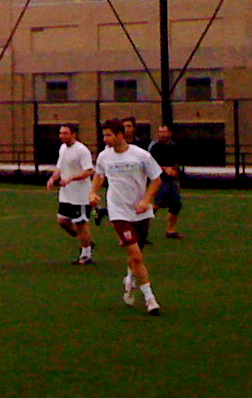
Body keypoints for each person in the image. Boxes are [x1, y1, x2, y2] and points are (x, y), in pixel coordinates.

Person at [90, 118, 164, 316]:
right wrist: (93, 192)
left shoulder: (141, 155)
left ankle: (130, 279)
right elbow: (99, 175)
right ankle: (150, 299)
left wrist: (146, 201)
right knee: (136, 256)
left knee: (136, 256)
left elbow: (157, 179)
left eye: (108, 135)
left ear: (120, 134)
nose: (105, 139)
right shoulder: (104, 156)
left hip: (140, 211)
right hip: (118, 211)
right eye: (104, 135)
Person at [48, 124, 96, 264]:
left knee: (80, 224)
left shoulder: (82, 150)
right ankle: (86, 241)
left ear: (73, 134)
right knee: (62, 221)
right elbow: (60, 167)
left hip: (80, 195)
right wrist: (52, 178)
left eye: (65, 133)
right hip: (66, 194)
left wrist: (71, 179)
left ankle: (86, 255)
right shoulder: (63, 148)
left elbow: (89, 171)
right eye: (60, 133)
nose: (62, 136)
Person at [146, 124, 184, 239]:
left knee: (176, 204)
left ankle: (171, 230)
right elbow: (150, 163)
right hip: (159, 180)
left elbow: (176, 163)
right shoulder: (155, 147)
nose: (161, 134)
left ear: (169, 133)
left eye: (164, 132)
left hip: (172, 181)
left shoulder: (174, 147)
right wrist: (164, 169)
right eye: (160, 132)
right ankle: (141, 230)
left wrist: (175, 173)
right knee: (156, 205)